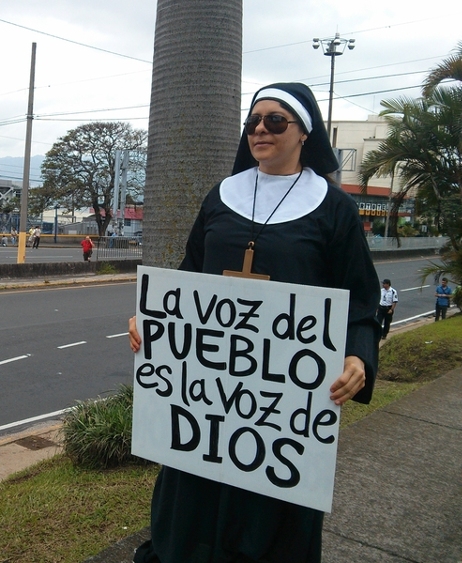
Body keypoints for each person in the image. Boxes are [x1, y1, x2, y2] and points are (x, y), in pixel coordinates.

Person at [128, 82, 380, 563]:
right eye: (253, 122)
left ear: (304, 133)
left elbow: (360, 297)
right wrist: (152, 316)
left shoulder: (334, 208)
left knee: (269, 508)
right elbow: (188, 274)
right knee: (193, 490)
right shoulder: (221, 197)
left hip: (280, 400)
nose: (261, 130)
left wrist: (357, 356)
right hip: (208, 389)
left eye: (275, 121)